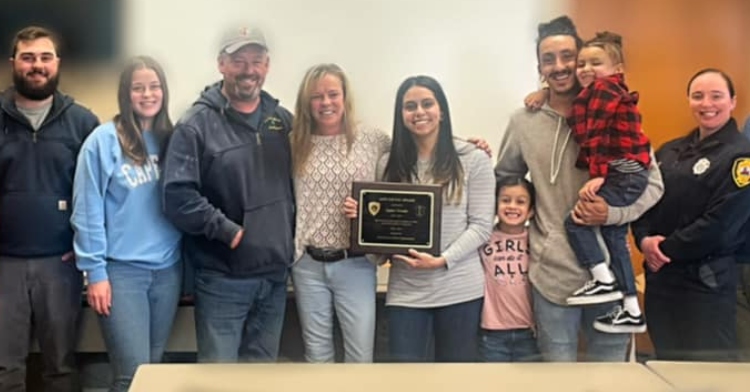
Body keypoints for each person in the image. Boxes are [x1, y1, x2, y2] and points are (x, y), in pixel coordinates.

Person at [495, 15, 664, 362]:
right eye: (548, 59)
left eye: (567, 57)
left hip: (612, 276)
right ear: (539, 66)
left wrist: (613, 212)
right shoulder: (524, 121)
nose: (558, 67)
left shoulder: (616, 109)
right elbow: (505, 179)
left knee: (610, 377)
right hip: (552, 274)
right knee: (558, 378)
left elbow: (653, 185)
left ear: (581, 59)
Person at [162, 25, 293, 363]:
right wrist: (228, 232)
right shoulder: (195, 125)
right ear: (221, 64)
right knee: (218, 380)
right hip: (223, 281)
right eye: (239, 61)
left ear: (267, 66)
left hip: (275, 278)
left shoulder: (283, 121)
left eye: (256, 61)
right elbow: (177, 197)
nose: (248, 70)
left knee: (260, 379)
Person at [345, 75, 494, 362]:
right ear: (401, 116)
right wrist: (363, 224)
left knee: (456, 380)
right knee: (407, 380)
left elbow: (481, 226)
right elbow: (382, 239)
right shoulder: (387, 164)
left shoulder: (474, 159)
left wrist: (443, 259)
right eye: (410, 106)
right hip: (406, 294)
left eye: (427, 104)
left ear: (442, 111)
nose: (419, 112)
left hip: (460, 290)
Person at [70, 56, 182, 390]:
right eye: (138, 88)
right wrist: (96, 273)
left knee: (154, 371)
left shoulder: (173, 140)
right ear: (125, 94)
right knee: (131, 374)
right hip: (121, 274)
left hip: (168, 271)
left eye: (154, 86)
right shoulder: (102, 141)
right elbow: (86, 210)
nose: (147, 94)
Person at [0, 26, 99, 391]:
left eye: (44, 57)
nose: (36, 66)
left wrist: (85, 248)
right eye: (28, 58)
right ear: (14, 63)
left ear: (57, 63)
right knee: (4, 368)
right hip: (4, 265)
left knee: (60, 366)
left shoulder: (83, 123)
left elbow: (96, 196)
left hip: (61, 265)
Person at [633, 69, 750, 362]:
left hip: (706, 284)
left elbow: (722, 224)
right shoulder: (669, 151)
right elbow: (642, 200)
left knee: (708, 373)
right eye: (698, 96)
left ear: (732, 101)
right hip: (661, 280)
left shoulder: (743, 157)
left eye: (716, 96)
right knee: (668, 365)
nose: (706, 103)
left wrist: (663, 249)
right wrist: (644, 240)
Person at [289, 63, 390, 363]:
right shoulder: (295, 142)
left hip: (355, 265)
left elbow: (417, 157)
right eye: (316, 97)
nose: (326, 103)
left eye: (333, 94)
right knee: (317, 355)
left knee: (360, 357)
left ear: (345, 97)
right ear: (307, 103)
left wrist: (467, 146)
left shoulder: (373, 139)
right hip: (308, 265)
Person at [559, 32, 651, 335]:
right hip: (628, 169)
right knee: (615, 239)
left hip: (622, 169)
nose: (585, 69)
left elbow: (597, 137)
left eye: (595, 62)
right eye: (581, 63)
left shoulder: (604, 89)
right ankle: (631, 308)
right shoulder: (598, 92)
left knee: (575, 223)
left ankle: (603, 279)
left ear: (617, 68)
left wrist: (601, 175)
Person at [479, 176, 540, 362]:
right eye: (505, 200)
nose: (512, 206)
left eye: (520, 202)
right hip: (492, 333)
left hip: (529, 332)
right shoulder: (482, 238)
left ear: (530, 211)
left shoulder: (537, 241)